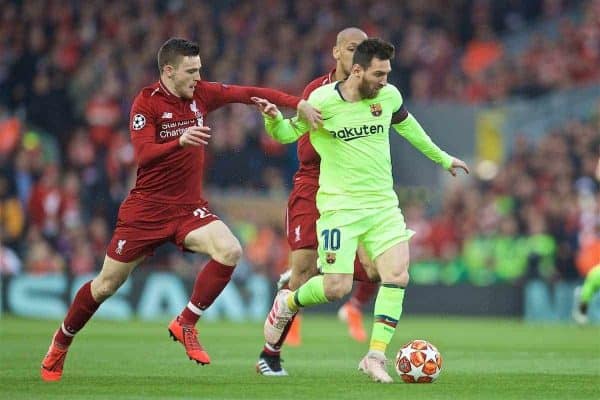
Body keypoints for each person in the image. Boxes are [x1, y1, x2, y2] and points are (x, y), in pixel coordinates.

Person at [40, 37, 321, 382]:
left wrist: (299, 104)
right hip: (146, 211)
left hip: (188, 209)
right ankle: (61, 341)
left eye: (199, 69)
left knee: (230, 250)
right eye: (191, 71)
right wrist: (180, 140)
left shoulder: (201, 94)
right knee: (105, 286)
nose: (197, 77)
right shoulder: (146, 104)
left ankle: (186, 321)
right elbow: (143, 155)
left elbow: (247, 92)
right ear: (169, 71)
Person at [254, 38, 469, 383]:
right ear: (357, 70)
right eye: (379, 74)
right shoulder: (322, 101)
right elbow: (286, 134)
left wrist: (443, 159)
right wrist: (272, 121)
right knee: (336, 287)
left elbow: (409, 128)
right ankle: (289, 303)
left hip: (383, 207)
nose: (385, 80)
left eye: (387, 73)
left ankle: (374, 356)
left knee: (397, 275)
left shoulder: (388, 96)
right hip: (340, 209)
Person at [255, 28, 380, 377]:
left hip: (355, 190)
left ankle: (324, 268)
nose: (358, 56)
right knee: (303, 272)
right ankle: (270, 354)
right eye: (352, 49)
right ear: (337, 53)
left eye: (363, 50)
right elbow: (293, 135)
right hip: (315, 183)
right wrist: (275, 120)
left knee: (375, 270)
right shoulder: (318, 91)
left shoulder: (375, 93)